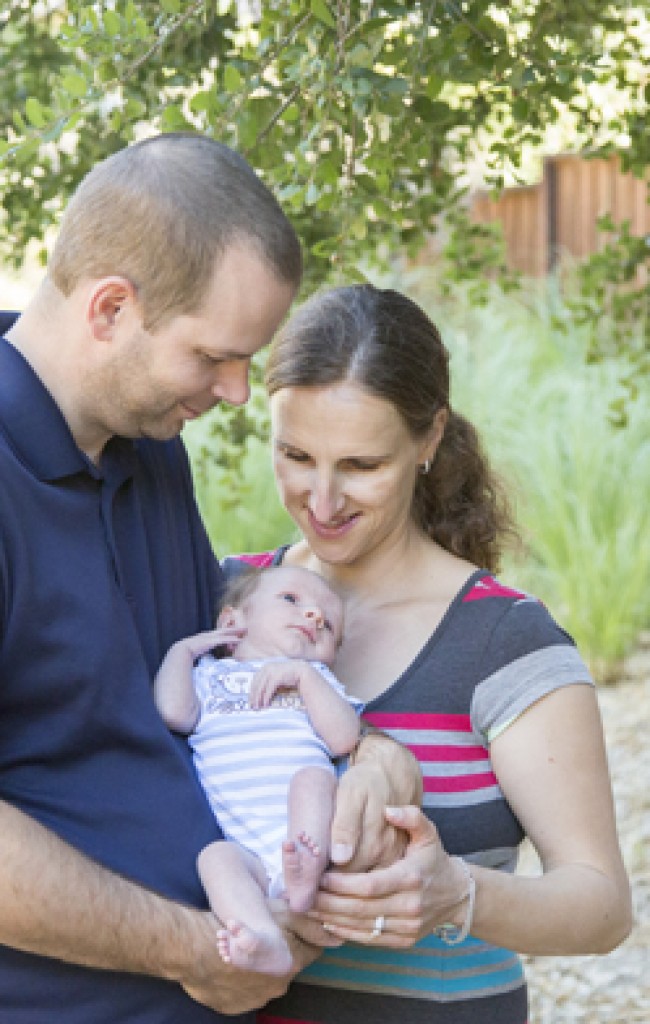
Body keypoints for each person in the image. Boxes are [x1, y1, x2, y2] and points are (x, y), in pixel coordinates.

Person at [0, 135, 421, 1024]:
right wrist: (195, 951)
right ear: (111, 308)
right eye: (215, 357)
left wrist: (372, 760)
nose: (236, 393)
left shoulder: (149, 449)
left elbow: (227, 678)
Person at [222, 283, 633, 1024]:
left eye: (360, 464)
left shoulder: (505, 640)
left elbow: (601, 908)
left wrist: (458, 895)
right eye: (294, 454)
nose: (321, 498)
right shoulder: (225, 598)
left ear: (430, 438)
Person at [154, 564, 363, 976]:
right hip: (247, 848)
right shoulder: (209, 676)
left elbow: (343, 738)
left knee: (313, 777)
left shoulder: (316, 680)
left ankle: (304, 877)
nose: (313, 616)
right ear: (233, 622)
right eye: (291, 600)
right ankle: (261, 936)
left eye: (328, 625)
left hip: (306, 830)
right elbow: (173, 713)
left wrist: (302, 676)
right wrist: (182, 652)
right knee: (215, 857)